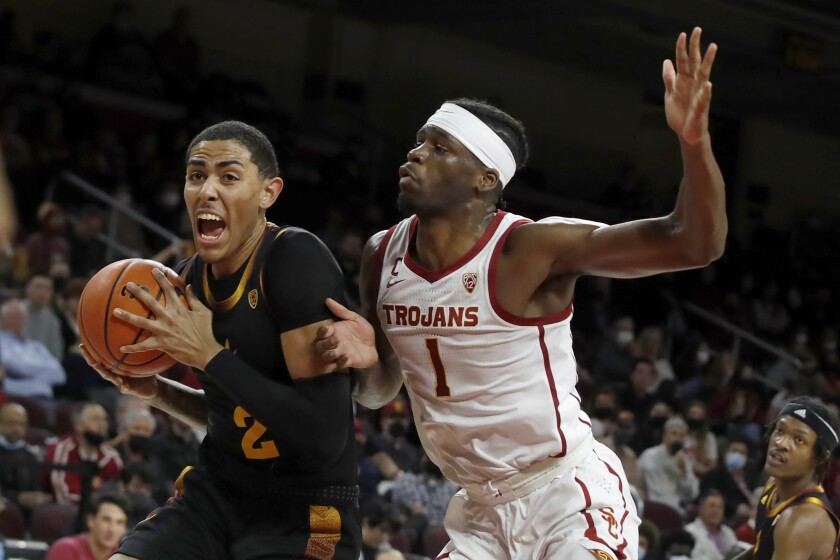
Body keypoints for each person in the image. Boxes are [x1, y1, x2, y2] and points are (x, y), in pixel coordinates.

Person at [318, 27, 724, 560]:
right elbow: (379, 389)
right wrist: (358, 361)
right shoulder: (382, 254)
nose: (415, 153)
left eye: (438, 147)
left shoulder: (531, 248)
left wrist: (694, 143)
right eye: (418, 141)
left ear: (485, 179)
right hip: (478, 514)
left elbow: (694, 244)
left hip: (566, 497)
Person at [79, 120, 360, 559]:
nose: (208, 190)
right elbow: (230, 417)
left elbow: (321, 440)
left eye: (228, 176)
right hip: (215, 495)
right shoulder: (186, 281)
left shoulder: (295, 260)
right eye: (197, 175)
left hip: (303, 509)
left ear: (268, 192)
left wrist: (208, 356)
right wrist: (156, 390)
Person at [734, 396, 840, 560]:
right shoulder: (773, 485)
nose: (781, 443)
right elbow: (762, 549)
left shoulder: (802, 519)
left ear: (820, 457)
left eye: (799, 440)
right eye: (780, 430)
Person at [44, 402, 122, 505]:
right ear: (78, 425)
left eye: (104, 419)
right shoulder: (60, 451)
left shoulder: (111, 456)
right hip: (67, 514)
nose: (102, 424)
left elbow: (119, 494)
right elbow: (65, 498)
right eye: (95, 419)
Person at [638, 416, 700, 512]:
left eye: (682, 435)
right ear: (664, 436)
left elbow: (692, 495)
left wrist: (684, 473)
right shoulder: (649, 455)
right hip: (651, 507)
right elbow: (638, 482)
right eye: (674, 434)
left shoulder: (684, 461)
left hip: (675, 509)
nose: (678, 438)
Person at [44, 494, 130, 560]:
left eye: (119, 522)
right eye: (106, 520)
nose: (112, 529)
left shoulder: (125, 556)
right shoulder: (64, 549)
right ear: (91, 520)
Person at [684, 489, 738, 560]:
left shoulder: (728, 531)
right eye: (712, 506)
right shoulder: (690, 532)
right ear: (701, 509)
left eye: (720, 506)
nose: (716, 510)